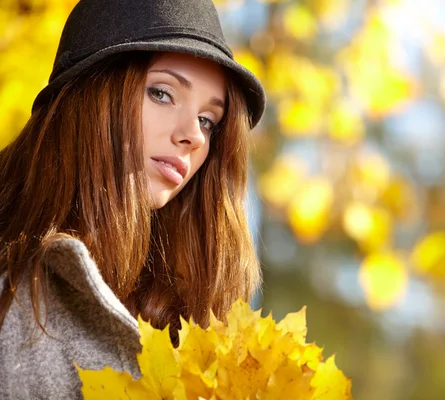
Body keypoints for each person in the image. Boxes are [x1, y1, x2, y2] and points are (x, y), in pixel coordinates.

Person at [0, 0, 266, 398]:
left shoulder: (191, 324)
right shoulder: (17, 294)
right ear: (92, 93)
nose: (193, 135)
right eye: (162, 93)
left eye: (208, 120)